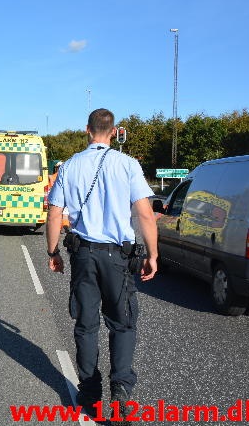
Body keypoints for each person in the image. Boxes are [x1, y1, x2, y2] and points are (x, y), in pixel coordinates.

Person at [45, 108, 158, 423]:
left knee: (86, 323)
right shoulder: (128, 165)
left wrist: (53, 251)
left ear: (86, 130)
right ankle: (121, 389)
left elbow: (55, 213)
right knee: (122, 323)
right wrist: (153, 253)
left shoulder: (69, 166)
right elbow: (144, 214)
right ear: (115, 131)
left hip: (83, 255)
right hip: (117, 257)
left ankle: (90, 394)